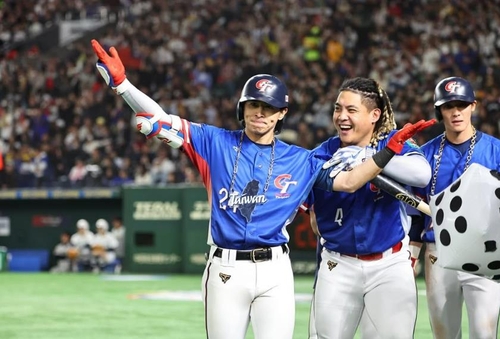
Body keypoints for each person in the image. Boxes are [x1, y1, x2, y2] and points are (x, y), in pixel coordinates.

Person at [90, 39, 435, 339]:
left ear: (281, 113)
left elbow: (348, 182)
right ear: (243, 108)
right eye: (254, 105)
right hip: (226, 268)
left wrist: (386, 151)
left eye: (268, 108)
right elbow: (162, 118)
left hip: (276, 269)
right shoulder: (214, 142)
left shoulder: (301, 159)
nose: (260, 113)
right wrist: (122, 86)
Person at [306, 77, 432, 339]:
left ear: (374, 115)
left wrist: (370, 157)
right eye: (337, 108)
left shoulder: (394, 143)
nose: (341, 116)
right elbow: (314, 220)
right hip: (337, 265)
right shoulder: (322, 154)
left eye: (351, 110)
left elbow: (422, 175)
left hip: (390, 264)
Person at [409, 76, 500, 339]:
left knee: (484, 334)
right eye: (449, 106)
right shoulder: (425, 154)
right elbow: (416, 212)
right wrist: (412, 253)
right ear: (440, 111)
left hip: (485, 251)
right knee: (445, 335)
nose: (456, 112)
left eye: (462, 104)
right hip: (438, 252)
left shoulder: (495, 151)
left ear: (473, 106)